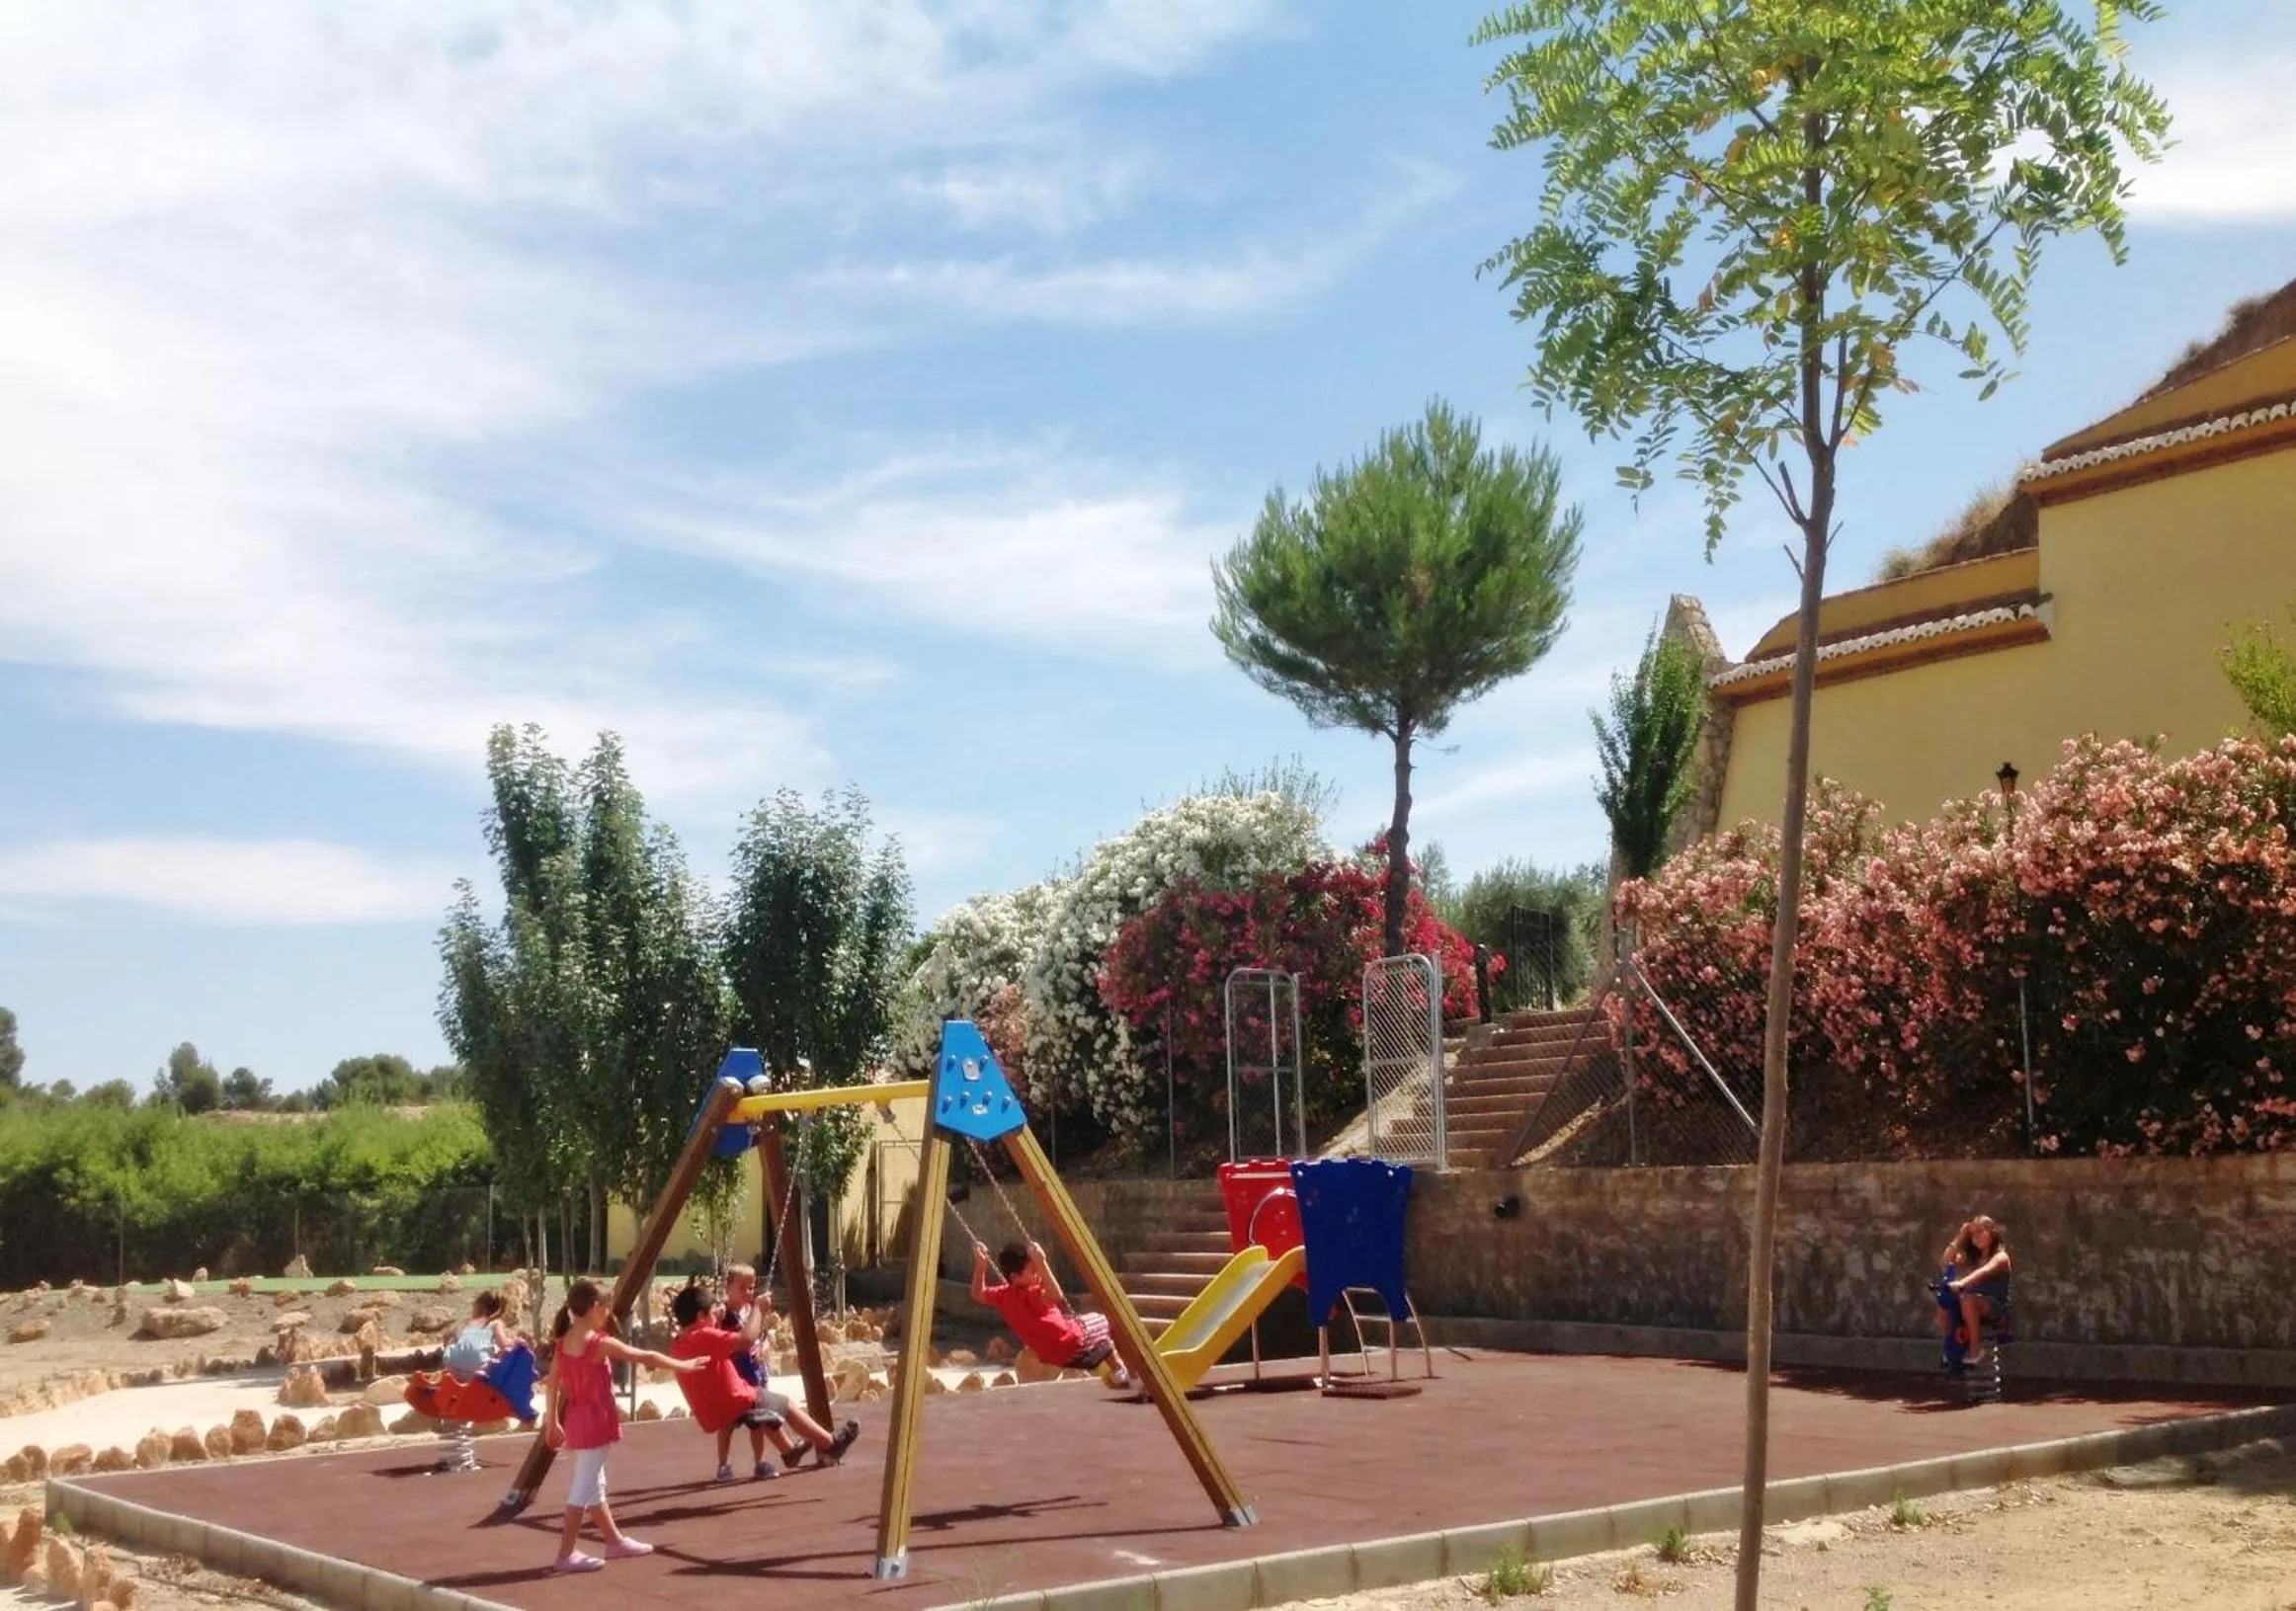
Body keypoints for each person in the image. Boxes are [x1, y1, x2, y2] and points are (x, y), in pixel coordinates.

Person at [543, 1278, 705, 1573]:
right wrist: (685, 1365)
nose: (608, 1314)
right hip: (595, 1422)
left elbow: (553, 1383)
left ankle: (614, 1541)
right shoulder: (598, 1343)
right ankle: (565, 1553)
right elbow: (645, 1356)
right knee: (583, 1487)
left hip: (579, 1419)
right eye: (606, 1308)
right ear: (595, 1308)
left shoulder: (563, 1343)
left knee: (594, 1484)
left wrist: (552, 1420)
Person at [668, 1281, 861, 1482]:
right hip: (736, 1400)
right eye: (710, 1313)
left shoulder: (678, 1344)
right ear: (700, 1316)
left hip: (710, 1414)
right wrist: (758, 1309)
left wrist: (714, 1318)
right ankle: (831, 1444)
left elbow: (709, 1343)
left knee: (767, 1411)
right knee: (785, 1404)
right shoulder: (705, 1336)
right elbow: (746, 1340)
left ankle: (789, 1451)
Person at [971, 1240, 1131, 1390]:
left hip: (1048, 1355)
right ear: (1015, 1276)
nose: (1038, 1275)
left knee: (1076, 1321)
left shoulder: (1002, 1295)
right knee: (1105, 1321)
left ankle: (1110, 1360)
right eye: (1034, 1271)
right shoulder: (1032, 1294)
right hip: (1071, 1343)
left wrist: (980, 1266)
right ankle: (1119, 1369)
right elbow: (1056, 1295)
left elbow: (977, 1293)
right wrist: (1042, 1262)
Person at [433, 1291, 521, 1473]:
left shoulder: (466, 1325)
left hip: (453, 1365)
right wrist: (517, 1342)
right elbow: (505, 1345)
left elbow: (454, 1340)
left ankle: (457, 1453)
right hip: (477, 1369)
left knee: (456, 1408)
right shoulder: (494, 1323)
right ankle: (462, 1458)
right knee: (465, 1409)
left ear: (478, 1307)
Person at [1935, 1215, 2013, 1368]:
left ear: (1991, 1232)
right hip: (1971, 1303)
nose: (1975, 1237)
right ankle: (1951, 1345)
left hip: (1995, 1306)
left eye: (1980, 1232)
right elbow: (1945, 1262)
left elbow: (1984, 1271)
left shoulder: (2001, 1257)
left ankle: (1975, 1351)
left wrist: (1962, 1283)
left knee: (1968, 1300)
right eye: (1972, 1235)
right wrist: (1960, 1237)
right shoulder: (1972, 1258)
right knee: (1943, 1301)